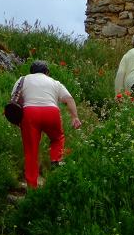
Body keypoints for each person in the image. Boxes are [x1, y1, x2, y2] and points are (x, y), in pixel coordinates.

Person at [11, 60, 81, 189]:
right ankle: (55, 159)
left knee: (31, 151)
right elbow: (69, 99)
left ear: (31, 71)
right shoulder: (54, 82)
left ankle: (32, 187)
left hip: (29, 113)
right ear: (47, 72)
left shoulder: (23, 79)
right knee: (57, 138)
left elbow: (15, 101)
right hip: (51, 112)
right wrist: (74, 117)